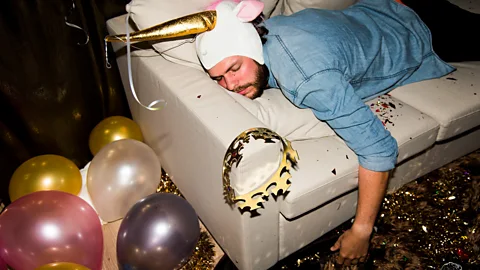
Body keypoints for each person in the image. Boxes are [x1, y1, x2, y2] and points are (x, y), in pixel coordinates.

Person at [194, 0, 480, 266]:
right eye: (218, 78)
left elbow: (379, 150)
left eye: (234, 69)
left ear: (251, 47)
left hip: (423, 30)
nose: (230, 85)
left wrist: (361, 232)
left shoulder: (306, 77)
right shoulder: (268, 30)